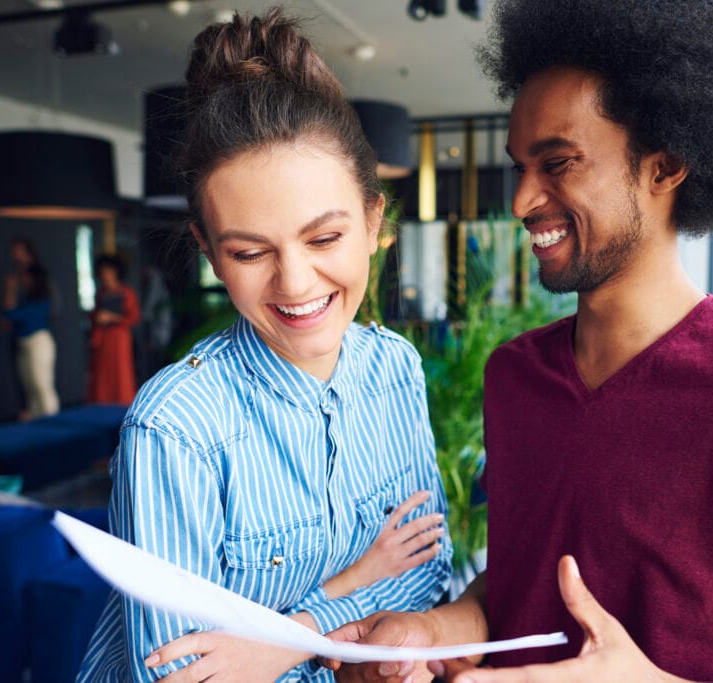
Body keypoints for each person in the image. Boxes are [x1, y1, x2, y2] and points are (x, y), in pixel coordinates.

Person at [324, 1, 713, 682]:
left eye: (558, 162)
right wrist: (431, 631)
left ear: (665, 165)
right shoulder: (514, 375)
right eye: (521, 165)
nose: (523, 200)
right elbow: (522, 584)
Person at [77, 8, 452, 682]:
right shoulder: (177, 428)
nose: (296, 282)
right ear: (211, 255)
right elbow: (186, 674)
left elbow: (426, 578)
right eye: (250, 251)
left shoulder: (395, 367)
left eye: (325, 238)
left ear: (374, 221)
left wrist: (284, 637)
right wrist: (352, 591)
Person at [2, 262, 60, 420]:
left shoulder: (42, 300)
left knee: (42, 386)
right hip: (24, 345)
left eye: (26, 276)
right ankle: (38, 429)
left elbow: (10, 315)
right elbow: (8, 316)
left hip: (39, 344)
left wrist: (10, 288)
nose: (23, 280)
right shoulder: (28, 299)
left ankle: (55, 427)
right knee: (31, 389)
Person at [87, 254, 141, 405]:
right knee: (102, 372)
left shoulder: (126, 293)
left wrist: (111, 318)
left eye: (109, 272)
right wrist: (96, 317)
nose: (106, 276)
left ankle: (123, 404)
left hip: (119, 338)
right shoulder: (101, 294)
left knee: (121, 372)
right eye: (103, 272)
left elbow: (134, 317)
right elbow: (94, 315)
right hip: (103, 338)